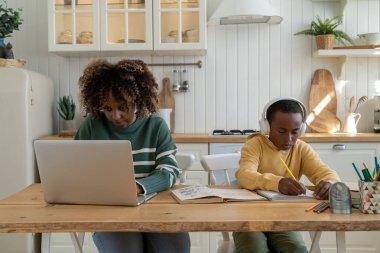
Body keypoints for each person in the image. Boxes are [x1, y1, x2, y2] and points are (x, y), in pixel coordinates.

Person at [74, 59, 190, 253]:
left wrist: (136, 187)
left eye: (122, 107)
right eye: (108, 108)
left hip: (157, 211)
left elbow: (169, 171)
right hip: (110, 213)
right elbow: (74, 169)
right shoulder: (92, 126)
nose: (115, 116)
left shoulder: (156, 126)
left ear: (137, 100)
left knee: (176, 248)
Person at [233, 97, 340, 253]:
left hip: (284, 217)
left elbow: (324, 171)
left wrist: (330, 182)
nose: (289, 139)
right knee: (254, 249)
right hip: (249, 217)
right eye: (282, 131)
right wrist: (277, 183)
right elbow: (244, 175)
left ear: (302, 129)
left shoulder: (302, 148)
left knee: (297, 249)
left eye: (295, 132)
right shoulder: (254, 145)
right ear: (267, 127)